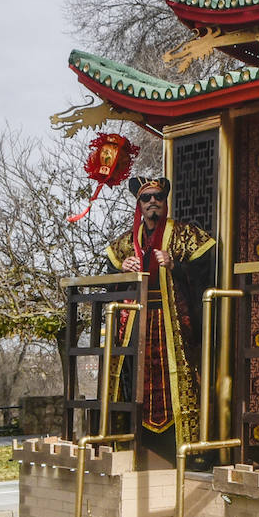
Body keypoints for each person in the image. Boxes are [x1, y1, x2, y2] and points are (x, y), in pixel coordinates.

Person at [105, 177, 216, 461]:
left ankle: (186, 449)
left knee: (178, 381)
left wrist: (175, 265)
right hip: (137, 324)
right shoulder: (125, 245)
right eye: (146, 198)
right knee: (133, 380)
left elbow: (206, 272)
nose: (153, 202)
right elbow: (109, 282)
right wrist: (122, 273)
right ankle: (131, 444)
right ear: (139, 205)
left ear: (166, 201)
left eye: (158, 197)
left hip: (173, 324)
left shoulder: (183, 234)